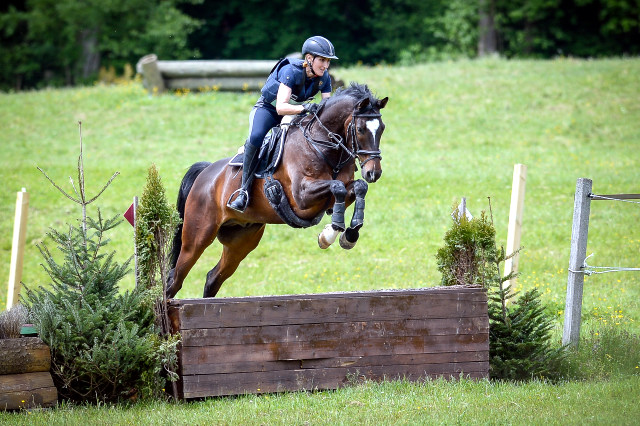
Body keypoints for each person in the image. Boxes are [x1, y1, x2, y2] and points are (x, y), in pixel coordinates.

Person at [227, 36, 338, 212]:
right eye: (322, 60)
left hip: (296, 113)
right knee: (256, 137)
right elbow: (281, 107)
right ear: (309, 58)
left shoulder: (324, 78)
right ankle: (243, 192)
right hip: (269, 110)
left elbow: (328, 107)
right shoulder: (291, 71)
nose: (325, 65)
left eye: (328, 61)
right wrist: (305, 107)